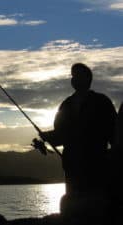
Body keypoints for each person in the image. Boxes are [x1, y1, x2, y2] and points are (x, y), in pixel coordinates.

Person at [38, 63, 117, 195]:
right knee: (75, 203)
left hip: (97, 164)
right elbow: (60, 135)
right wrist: (47, 137)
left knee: (95, 202)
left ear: (88, 78)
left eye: (78, 75)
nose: (74, 79)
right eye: (73, 76)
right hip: (72, 165)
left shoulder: (102, 102)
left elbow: (114, 133)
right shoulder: (66, 104)